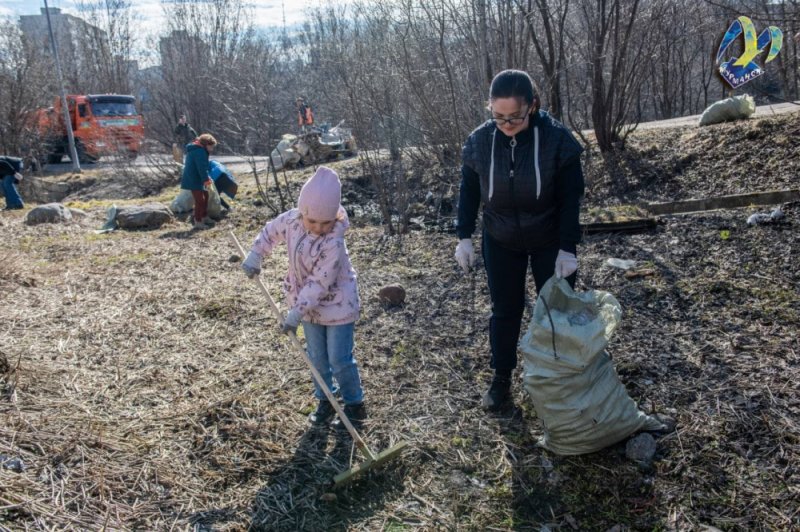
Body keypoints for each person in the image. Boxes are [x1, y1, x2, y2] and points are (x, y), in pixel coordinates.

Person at [455, 69, 585, 411]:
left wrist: (568, 247)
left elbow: (572, 198)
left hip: (549, 236)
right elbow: (469, 190)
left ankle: (562, 379)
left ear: (533, 106)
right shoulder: (480, 141)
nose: (506, 125)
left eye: (515, 117)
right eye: (498, 117)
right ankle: (501, 380)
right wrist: (463, 236)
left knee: (556, 310)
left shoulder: (557, 140)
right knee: (505, 310)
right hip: (500, 237)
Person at [241, 166, 365, 427]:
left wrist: (295, 312)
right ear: (302, 212)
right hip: (306, 306)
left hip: (338, 304)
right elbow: (269, 232)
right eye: (313, 222)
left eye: (326, 222)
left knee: (339, 358)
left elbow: (320, 283)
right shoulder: (291, 220)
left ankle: (354, 404)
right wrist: (256, 255)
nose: (319, 228)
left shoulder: (334, 242)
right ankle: (325, 401)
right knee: (317, 358)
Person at [180, 133, 217, 230]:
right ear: (206, 144)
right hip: (193, 179)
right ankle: (198, 221)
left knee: (206, 196)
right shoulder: (200, 151)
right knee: (200, 200)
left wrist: (207, 178)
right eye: (211, 147)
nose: (212, 149)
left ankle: (204, 216)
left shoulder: (200, 149)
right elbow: (201, 168)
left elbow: (204, 167)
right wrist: (206, 180)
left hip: (199, 178)